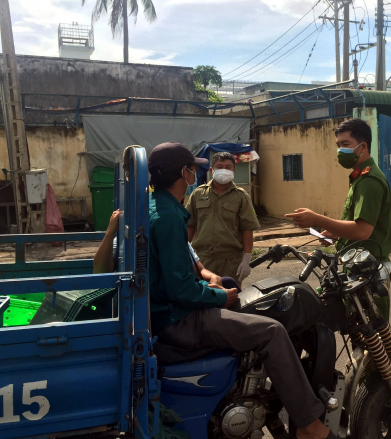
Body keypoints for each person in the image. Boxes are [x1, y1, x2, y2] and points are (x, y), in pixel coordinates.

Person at [147, 142, 331, 439]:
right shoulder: (171, 215)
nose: (198, 172)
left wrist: (210, 275)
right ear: (185, 172)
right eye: (193, 167)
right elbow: (180, 289)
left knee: (241, 303)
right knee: (271, 331)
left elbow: (184, 253)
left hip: (178, 302)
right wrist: (220, 295)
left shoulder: (157, 206)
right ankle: (309, 424)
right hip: (179, 319)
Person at [285, 118, 391, 318]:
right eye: (338, 146)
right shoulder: (359, 177)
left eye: (346, 145)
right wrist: (336, 233)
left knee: (373, 339)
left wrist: (317, 219)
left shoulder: (369, 180)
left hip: (368, 271)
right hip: (359, 267)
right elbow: (358, 226)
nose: (340, 151)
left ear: (362, 147)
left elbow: (363, 231)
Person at [92, 209, 240, 291]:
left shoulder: (175, 234)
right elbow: (100, 270)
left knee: (228, 283)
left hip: (185, 291)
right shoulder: (126, 240)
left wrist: (214, 277)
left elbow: (198, 269)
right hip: (164, 300)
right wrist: (110, 232)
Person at [185, 152, 260, 286]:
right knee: (203, 300)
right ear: (211, 170)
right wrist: (184, 253)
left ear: (234, 171)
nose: (224, 170)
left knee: (231, 299)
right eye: (219, 166)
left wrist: (246, 259)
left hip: (231, 262)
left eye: (228, 167)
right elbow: (190, 225)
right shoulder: (198, 194)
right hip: (203, 260)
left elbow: (247, 229)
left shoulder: (241, 196)